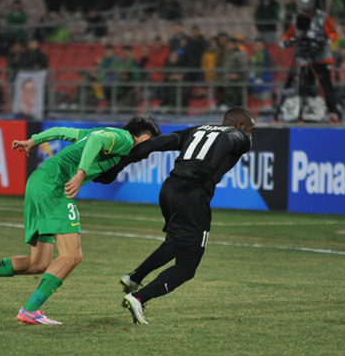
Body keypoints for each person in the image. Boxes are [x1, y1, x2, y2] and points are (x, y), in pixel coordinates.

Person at [0, 114, 162, 325]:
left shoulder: (102, 132)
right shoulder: (125, 139)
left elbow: (60, 132)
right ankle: (30, 309)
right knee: (72, 255)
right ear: (144, 137)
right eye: (150, 142)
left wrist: (32, 141)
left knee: (38, 263)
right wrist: (81, 173)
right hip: (55, 186)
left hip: (38, 182)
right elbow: (96, 142)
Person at [94, 107, 256, 325]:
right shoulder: (239, 136)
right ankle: (139, 298)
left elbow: (154, 144)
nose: (250, 135)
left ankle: (134, 279)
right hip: (193, 194)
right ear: (240, 125)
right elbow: (230, 140)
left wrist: (116, 168)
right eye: (250, 130)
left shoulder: (195, 130)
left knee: (176, 243)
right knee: (187, 267)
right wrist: (204, 170)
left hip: (169, 190)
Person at [278, 0, 342, 122]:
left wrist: (325, 39)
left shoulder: (323, 17)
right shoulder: (297, 18)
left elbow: (332, 33)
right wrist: (285, 40)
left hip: (321, 57)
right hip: (303, 57)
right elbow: (290, 33)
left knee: (325, 85)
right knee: (302, 83)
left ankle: (333, 112)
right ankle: (301, 111)